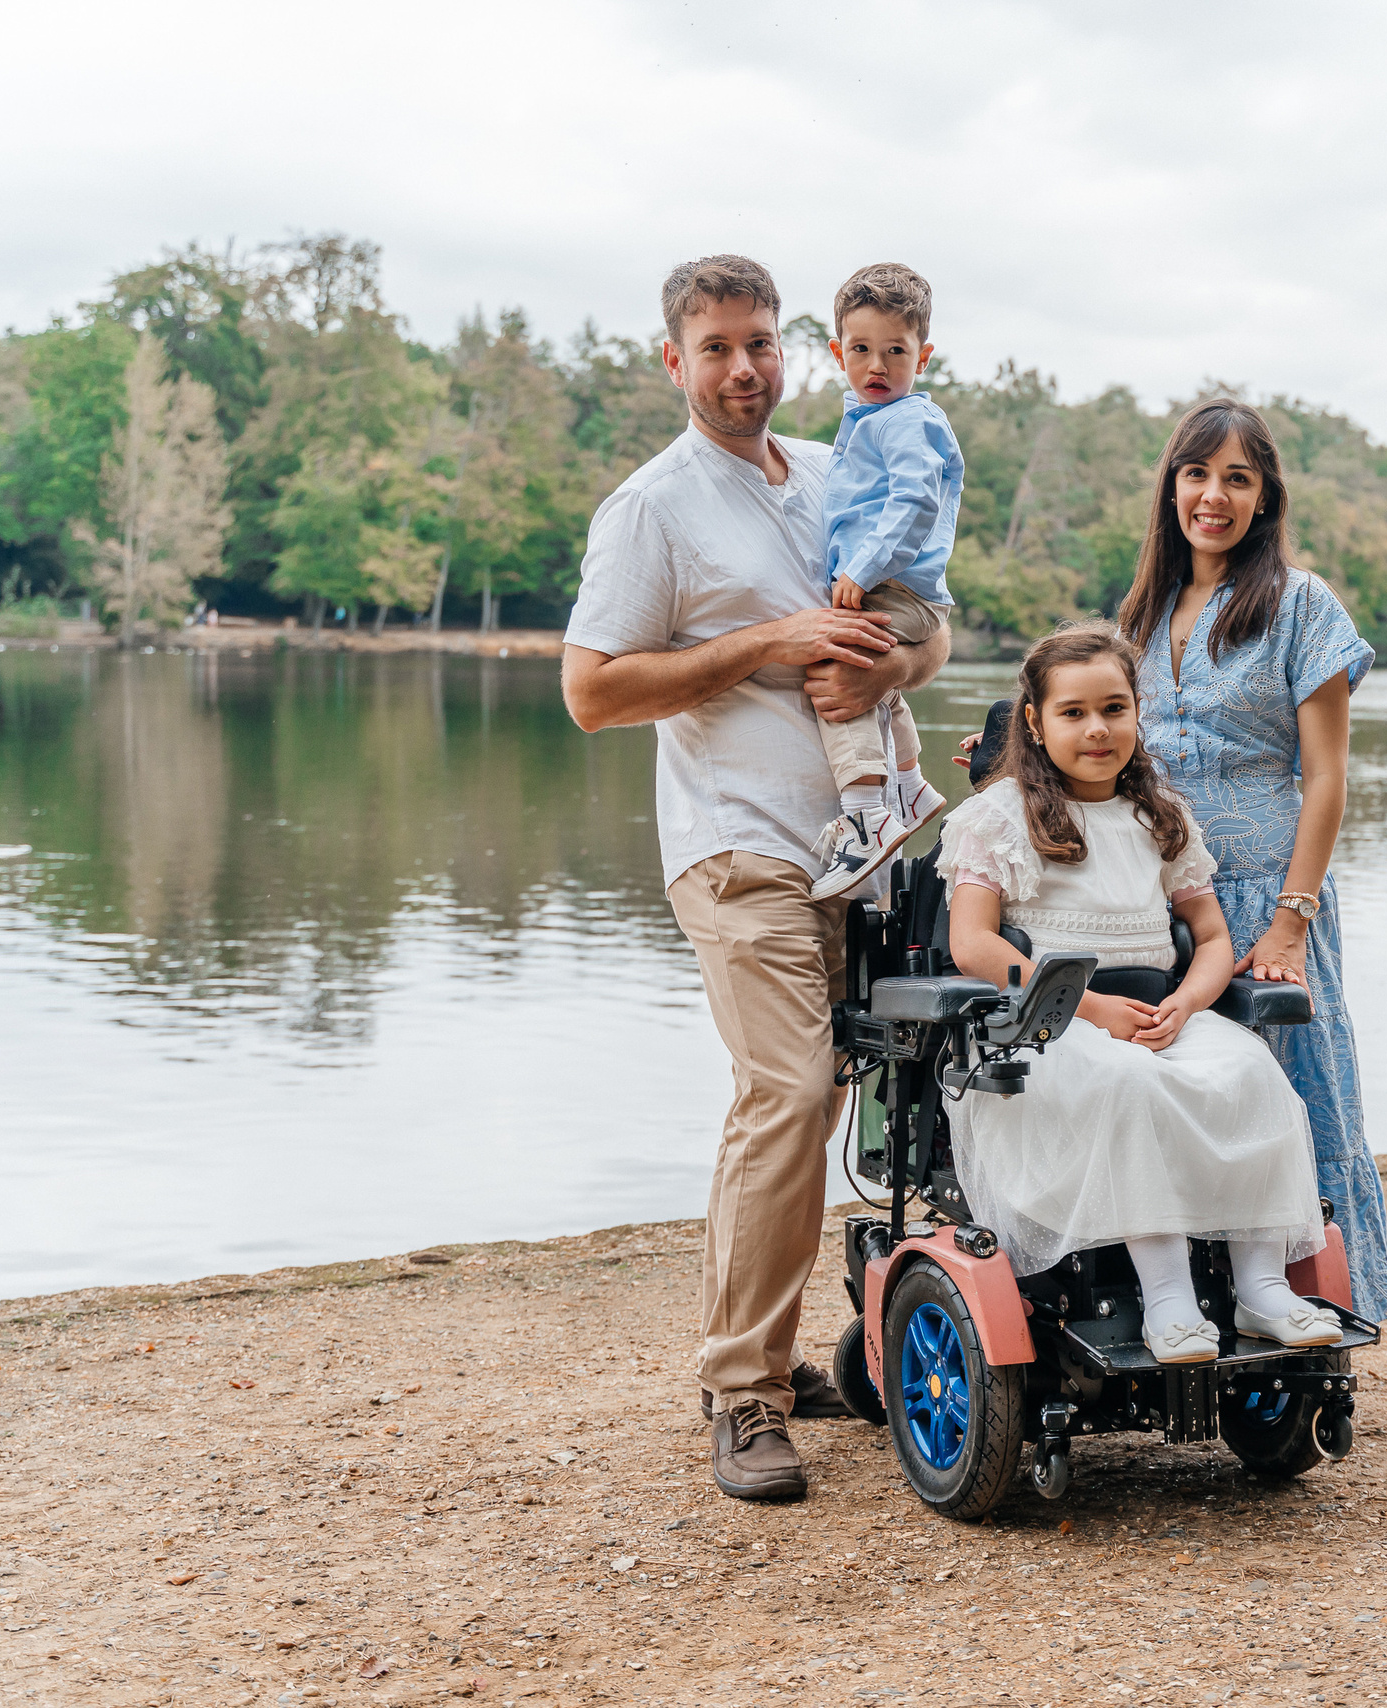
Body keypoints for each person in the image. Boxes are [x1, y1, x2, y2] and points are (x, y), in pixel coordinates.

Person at [561, 255, 952, 1502]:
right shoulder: (652, 508)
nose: (745, 369)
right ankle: (740, 1388)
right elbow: (592, 692)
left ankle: (803, 1353)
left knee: (843, 1100)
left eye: (762, 344)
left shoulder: (845, 471)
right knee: (786, 1090)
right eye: (717, 347)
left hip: (863, 843)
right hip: (735, 849)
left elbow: (930, 625)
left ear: (793, 354)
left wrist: (890, 669)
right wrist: (769, 644)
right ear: (673, 362)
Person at [939, 621, 1342, 1364]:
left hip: (1161, 1009)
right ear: (1035, 721)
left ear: (1136, 712)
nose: (1097, 729)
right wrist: (1088, 1007)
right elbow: (973, 943)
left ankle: (1261, 1287)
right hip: (1047, 1023)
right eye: (1073, 713)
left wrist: (1188, 1003)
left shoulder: (1161, 815)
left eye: (1115, 709)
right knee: (1125, 1084)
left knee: (1251, 1072)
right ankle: (1167, 1298)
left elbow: (1213, 939)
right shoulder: (998, 817)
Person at [1117, 397, 1387, 1322]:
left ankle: (1334, 1306)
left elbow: (1326, 779)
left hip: (1270, 899)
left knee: (1296, 1099)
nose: (1214, 496)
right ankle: (1192, 1311)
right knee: (1187, 1102)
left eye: (1238, 478)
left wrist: (1291, 916)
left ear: (1265, 495)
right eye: (1198, 474)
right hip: (1167, 899)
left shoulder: (1300, 604)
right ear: (1172, 486)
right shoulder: (1145, 610)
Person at [805, 263, 963, 901]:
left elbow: (914, 503)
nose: (877, 365)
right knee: (876, 678)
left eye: (895, 351)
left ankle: (867, 816)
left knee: (835, 657)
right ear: (838, 352)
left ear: (921, 356)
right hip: (898, 590)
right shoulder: (867, 421)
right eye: (862, 350)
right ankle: (908, 782)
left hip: (895, 588)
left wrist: (859, 571)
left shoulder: (904, 420)